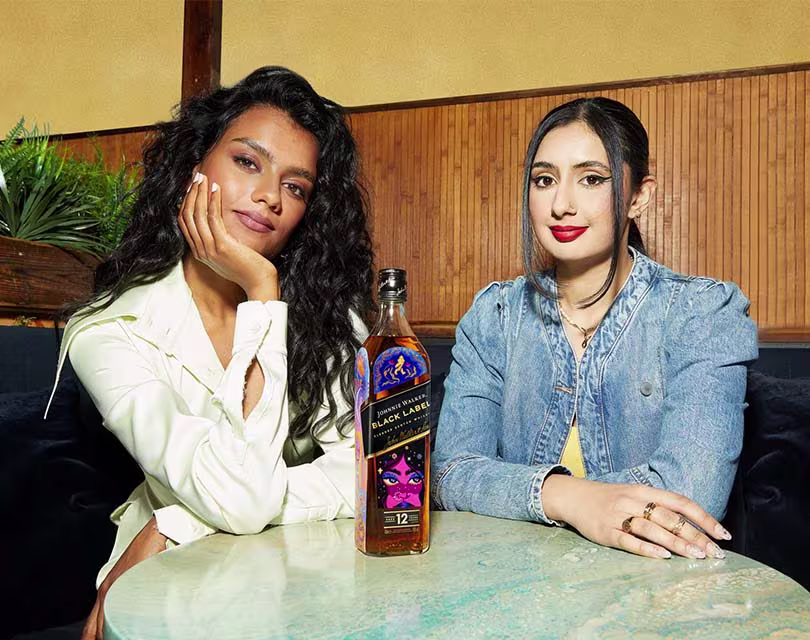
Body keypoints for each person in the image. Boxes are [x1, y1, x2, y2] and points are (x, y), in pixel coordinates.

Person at [47, 66, 374, 639]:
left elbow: (371, 473)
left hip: (299, 571)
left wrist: (175, 523)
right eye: (247, 162)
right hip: (173, 590)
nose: (268, 196)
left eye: (295, 187)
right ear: (194, 167)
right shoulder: (110, 330)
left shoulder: (330, 320)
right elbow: (243, 501)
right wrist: (262, 292)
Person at [431, 97, 758, 562]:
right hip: (515, 583)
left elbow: (690, 497)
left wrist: (514, 491)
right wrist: (570, 498)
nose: (561, 205)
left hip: (654, 591)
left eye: (591, 179)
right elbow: (449, 474)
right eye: (545, 180)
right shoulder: (494, 316)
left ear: (639, 196)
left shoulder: (702, 313)